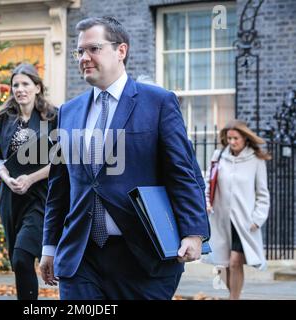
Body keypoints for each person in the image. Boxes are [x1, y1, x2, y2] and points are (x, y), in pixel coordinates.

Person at [39, 16, 210, 300]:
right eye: (80, 51)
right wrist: (49, 247)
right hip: (81, 257)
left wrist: (194, 232)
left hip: (142, 257)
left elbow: (182, 172)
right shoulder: (68, 112)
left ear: (121, 51)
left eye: (93, 48)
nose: (84, 57)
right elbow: (60, 186)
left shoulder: (158, 102)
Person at [0, 63, 57, 300]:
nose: (20, 89)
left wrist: (30, 178)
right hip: (10, 198)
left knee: (22, 255)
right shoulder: (5, 119)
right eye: (15, 85)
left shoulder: (52, 117)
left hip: (41, 198)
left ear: (37, 87)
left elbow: (61, 161)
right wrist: (7, 179)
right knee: (19, 263)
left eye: (25, 84)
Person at [204, 119, 270, 300]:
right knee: (222, 264)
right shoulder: (218, 156)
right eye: (229, 138)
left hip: (244, 222)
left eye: (236, 138)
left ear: (245, 138)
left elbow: (263, 193)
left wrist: (258, 218)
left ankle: (234, 298)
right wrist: (206, 202)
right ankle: (235, 295)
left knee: (235, 262)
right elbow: (208, 184)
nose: (232, 142)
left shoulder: (256, 160)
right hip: (220, 219)